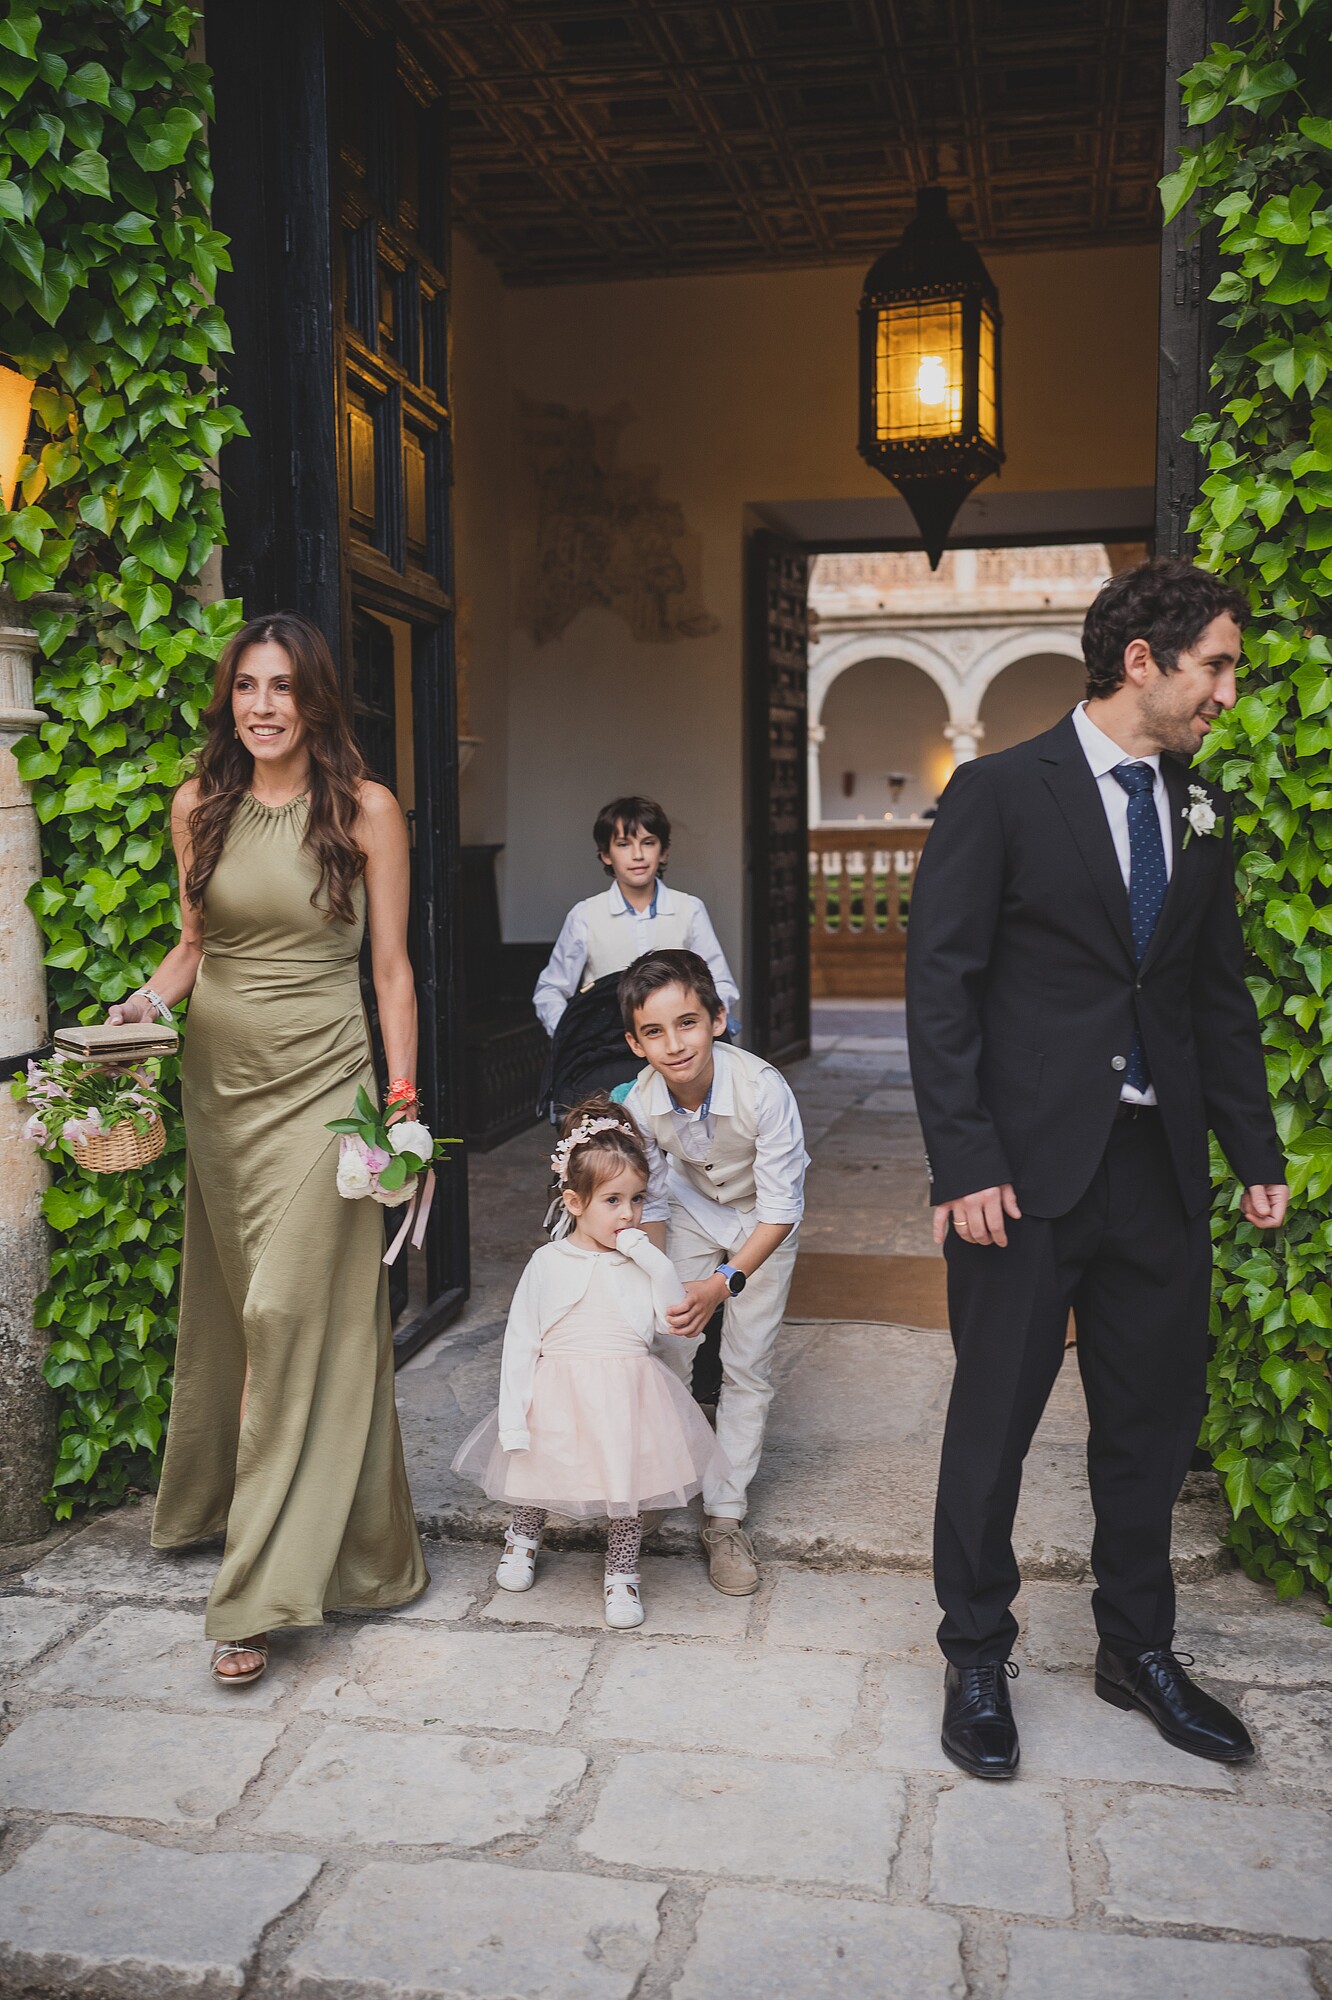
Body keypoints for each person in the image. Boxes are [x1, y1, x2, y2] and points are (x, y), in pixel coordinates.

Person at [906, 558, 1288, 1780]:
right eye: (1216, 663)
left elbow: (1209, 994)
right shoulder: (1001, 792)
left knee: (1148, 1426)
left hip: (1156, 1167)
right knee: (994, 1423)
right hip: (1017, 1176)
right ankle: (975, 1649)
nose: (1228, 689)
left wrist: (1253, 1149)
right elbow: (942, 990)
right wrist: (962, 1159)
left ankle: (1138, 1649)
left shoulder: (1200, 806)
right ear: (1146, 661)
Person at [108, 611, 428, 1684]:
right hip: (220, 1094)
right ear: (227, 698)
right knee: (248, 1315)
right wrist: (136, 1006)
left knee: (294, 1310)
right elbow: (196, 945)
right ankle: (362, 1551)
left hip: (327, 1092)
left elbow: (389, 970)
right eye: (247, 685)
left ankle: (253, 1589)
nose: (263, 705)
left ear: (315, 699)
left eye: (283, 686)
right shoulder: (198, 805)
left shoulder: (368, 810)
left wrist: (401, 1101)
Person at [451, 1096, 726, 1628]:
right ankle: (523, 1537)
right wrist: (512, 1417)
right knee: (539, 1466)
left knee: (627, 1481)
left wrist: (654, 1260)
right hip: (559, 1387)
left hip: (628, 1391)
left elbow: (671, 1321)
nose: (628, 1214)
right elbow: (521, 1340)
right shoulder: (548, 1261)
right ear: (575, 1203)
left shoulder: (642, 1261)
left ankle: (623, 1572)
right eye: (613, 1200)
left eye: (638, 1199)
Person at [619, 949, 807, 1597]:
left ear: (719, 1019)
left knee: (746, 1365)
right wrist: (660, 1280)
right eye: (654, 1031)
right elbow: (658, 1199)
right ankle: (661, 1482)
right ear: (635, 1042)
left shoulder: (763, 1090)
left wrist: (723, 1283)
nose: (674, 1045)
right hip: (695, 1214)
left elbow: (782, 1209)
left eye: (688, 1023)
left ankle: (725, 1516)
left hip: (763, 1225)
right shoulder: (641, 1103)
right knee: (668, 1344)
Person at [533, 795, 740, 1038]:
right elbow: (550, 989)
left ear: (663, 851)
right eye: (623, 844)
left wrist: (699, 1021)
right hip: (608, 1045)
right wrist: (571, 1036)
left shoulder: (689, 909)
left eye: (648, 842)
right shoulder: (585, 915)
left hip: (677, 1043)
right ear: (605, 855)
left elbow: (721, 984)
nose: (638, 854)